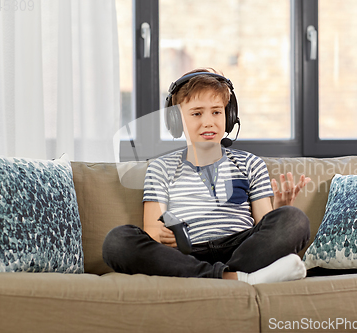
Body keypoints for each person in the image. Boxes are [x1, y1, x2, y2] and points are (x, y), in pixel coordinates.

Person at [103, 68, 312, 285]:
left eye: (216, 112)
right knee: (117, 242)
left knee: (293, 219)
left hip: (242, 248)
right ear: (177, 120)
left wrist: (278, 209)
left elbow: (264, 226)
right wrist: (163, 236)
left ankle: (218, 277)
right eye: (196, 113)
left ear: (228, 117)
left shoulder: (251, 164)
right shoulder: (160, 168)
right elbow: (153, 232)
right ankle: (236, 278)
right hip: (188, 253)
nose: (208, 122)